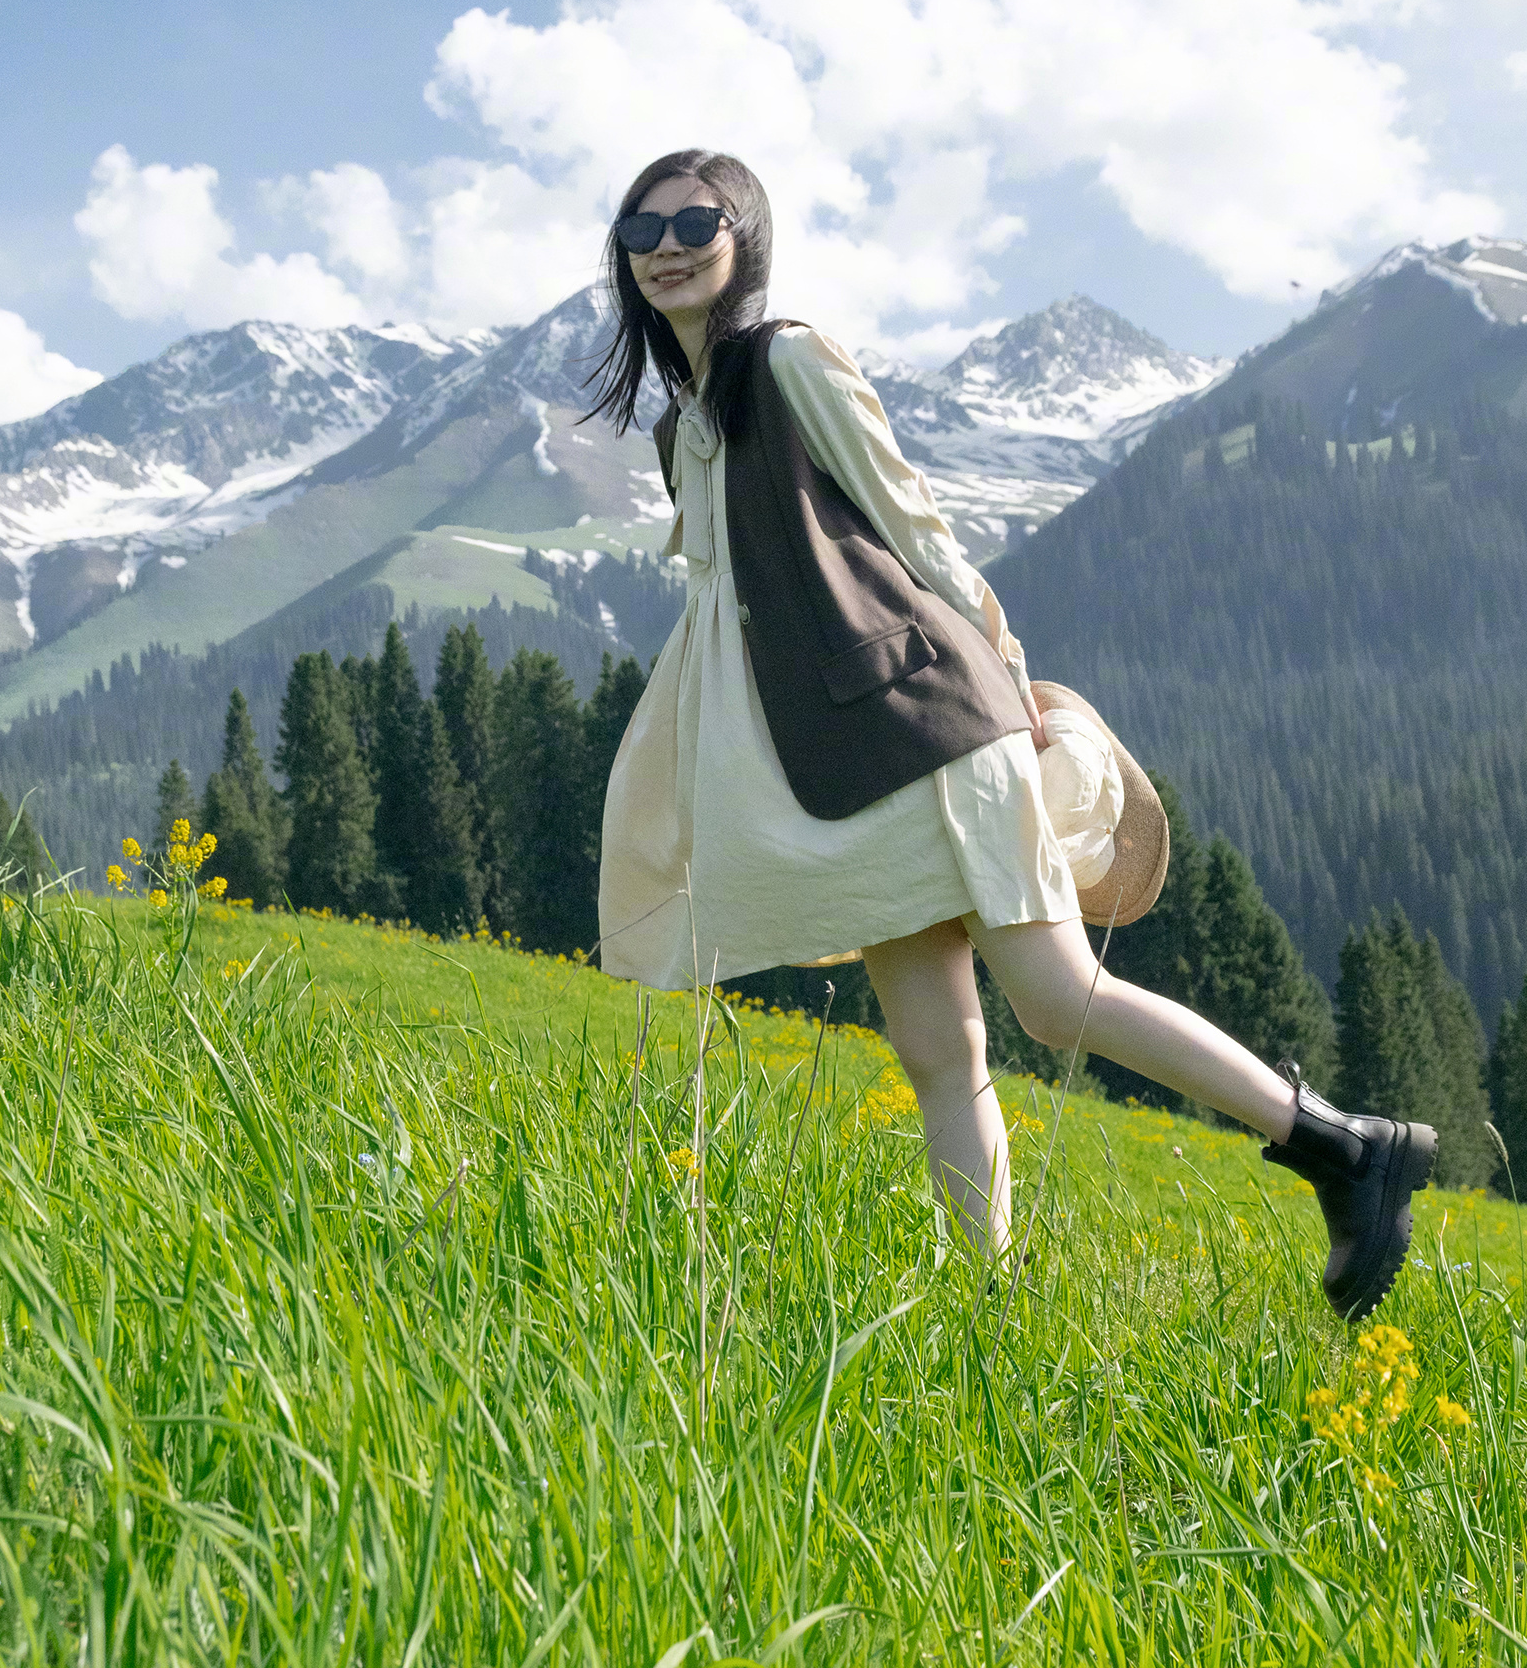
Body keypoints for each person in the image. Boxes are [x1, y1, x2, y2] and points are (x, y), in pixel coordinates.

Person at [584, 147, 1434, 1321]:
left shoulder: (787, 362)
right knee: (938, 1046)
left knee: (1055, 994)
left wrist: (1014, 678)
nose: (668, 244)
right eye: (643, 230)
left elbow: (915, 526)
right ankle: (991, 1304)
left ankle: (1345, 1146)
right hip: (842, 764)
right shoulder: (689, 431)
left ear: (745, 241)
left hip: (929, 729)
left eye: (696, 220)